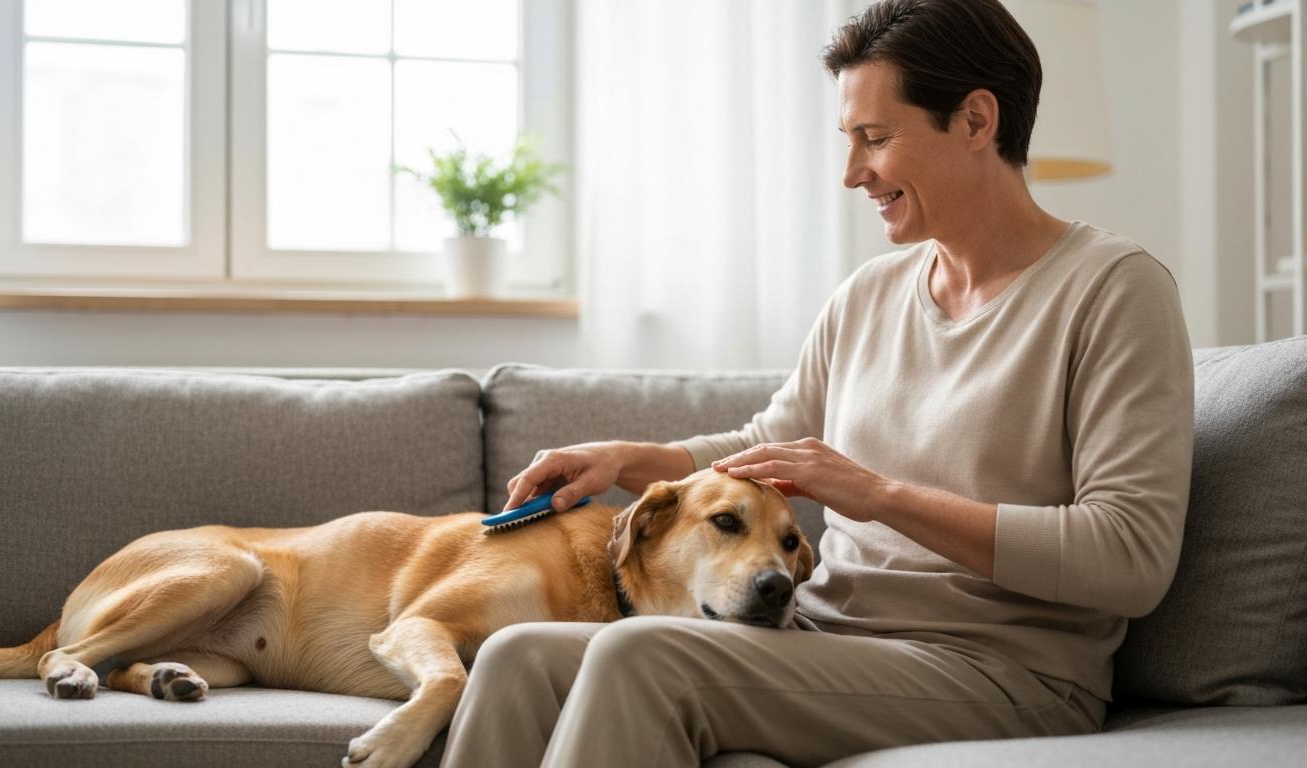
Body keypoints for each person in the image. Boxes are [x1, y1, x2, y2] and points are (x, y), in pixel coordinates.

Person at [440, 0, 1194, 765]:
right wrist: (622, 459)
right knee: (519, 656)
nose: (852, 172)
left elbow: (1129, 557)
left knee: (641, 657)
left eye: (876, 138)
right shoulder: (868, 295)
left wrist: (879, 495)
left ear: (976, 121)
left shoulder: (1113, 290)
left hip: (1002, 669)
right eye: (849, 140)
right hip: (831, 637)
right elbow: (769, 445)